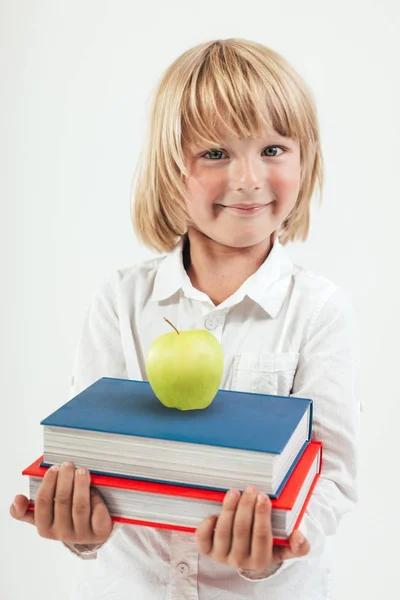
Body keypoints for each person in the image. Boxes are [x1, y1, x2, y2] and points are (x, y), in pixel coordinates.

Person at [10, 38, 360, 599]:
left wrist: (273, 549)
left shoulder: (319, 310)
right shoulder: (121, 299)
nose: (248, 178)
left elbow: (333, 475)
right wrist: (79, 530)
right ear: (172, 169)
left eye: (273, 149)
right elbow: (88, 459)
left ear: (305, 158)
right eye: (215, 153)